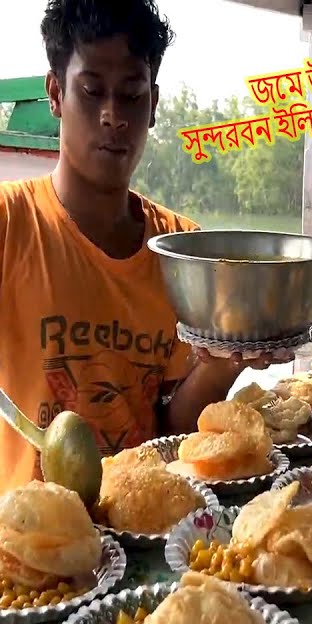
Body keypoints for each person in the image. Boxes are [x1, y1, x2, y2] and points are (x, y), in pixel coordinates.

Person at [0, 0, 279, 491]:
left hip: (144, 531)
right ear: (54, 92)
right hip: (32, 543)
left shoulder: (185, 253)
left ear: (152, 104)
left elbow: (174, 429)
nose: (113, 116)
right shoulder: (10, 224)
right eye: (91, 92)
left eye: (131, 95)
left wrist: (224, 362)